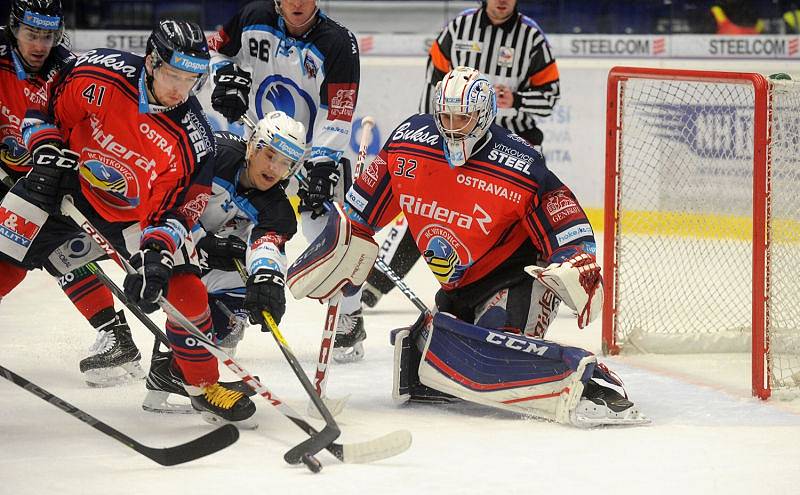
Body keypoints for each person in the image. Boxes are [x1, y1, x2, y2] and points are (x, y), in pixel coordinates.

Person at [323, 66, 645, 426]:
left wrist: (574, 259)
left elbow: (565, 221)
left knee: (493, 347)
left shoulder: (519, 163)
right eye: (444, 116)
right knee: (424, 359)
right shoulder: (407, 144)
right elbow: (361, 211)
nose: (451, 126)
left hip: (516, 275)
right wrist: (341, 241)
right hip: (458, 285)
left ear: (484, 114)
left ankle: (590, 382)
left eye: (463, 117)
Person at [0, 19, 256, 425]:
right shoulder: (98, 73)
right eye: (173, 74)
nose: (179, 89)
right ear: (153, 62)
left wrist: (155, 254)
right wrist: (47, 151)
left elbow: (176, 210)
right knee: (4, 263)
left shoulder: (193, 139)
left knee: (186, 291)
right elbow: (43, 109)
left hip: (130, 216)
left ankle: (203, 386)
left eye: (190, 79)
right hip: (62, 187)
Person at [362, 0, 562, 310]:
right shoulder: (458, 29)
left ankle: (546, 287)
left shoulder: (531, 37)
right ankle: (376, 285)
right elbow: (433, 86)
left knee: (530, 223)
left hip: (512, 150)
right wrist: (433, 137)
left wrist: (517, 99)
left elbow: (550, 98)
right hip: (454, 143)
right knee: (430, 213)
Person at [207, 0, 365, 363]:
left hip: (313, 155)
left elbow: (339, 115)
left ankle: (351, 315)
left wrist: (323, 164)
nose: (297, 3)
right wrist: (226, 78)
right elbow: (217, 54)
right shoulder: (252, 16)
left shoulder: (338, 43)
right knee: (238, 232)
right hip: (263, 152)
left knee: (332, 239)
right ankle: (230, 313)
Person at [0, 0, 143, 387]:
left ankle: (117, 338)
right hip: (12, 179)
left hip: (54, 181)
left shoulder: (69, 69)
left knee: (56, 252)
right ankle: (117, 336)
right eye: (32, 34)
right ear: (14, 29)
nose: (39, 44)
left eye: (48, 35)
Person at [143, 111, 303, 413]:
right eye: (270, 155)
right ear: (253, 146)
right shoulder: (214, 156)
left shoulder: (276, 207)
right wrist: (202, 238)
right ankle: (186, 374)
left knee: (244, 293)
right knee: (188, 289)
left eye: (285, 162)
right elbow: (170, 198)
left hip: (204, 261)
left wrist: (268, 279)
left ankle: (173, 368)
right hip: (166, 240)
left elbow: (266, 244)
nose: (274, 168)